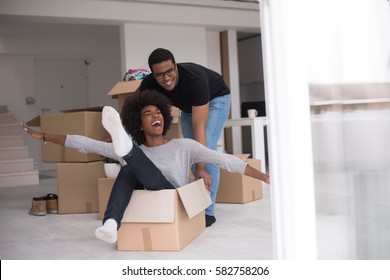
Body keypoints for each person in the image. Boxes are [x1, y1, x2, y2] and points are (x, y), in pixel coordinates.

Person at [22, 90, 270, 244]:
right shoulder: (135, 151)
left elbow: (226, 160)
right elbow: (85, 144)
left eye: (158, 112)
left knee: (129, 161)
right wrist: (43, 137)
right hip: (143, 188)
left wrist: (264, 176)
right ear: (139, 125)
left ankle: (125, 149)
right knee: (129, 167)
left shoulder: (184, 146)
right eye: (148, 114)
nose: (155, 116)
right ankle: (110, 225)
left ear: (164, 116)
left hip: (172, 197)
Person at [140, 48, 231, 226]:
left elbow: (199, 128)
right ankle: (196, 202)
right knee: (189, 153)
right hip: (189, 107)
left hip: (215, 99)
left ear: (176, 66)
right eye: (160, 75)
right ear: (152, 74)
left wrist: (201, 168)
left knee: (206, 150)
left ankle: (207, 212)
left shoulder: (195, 80)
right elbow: (139, 114)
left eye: (170, 71)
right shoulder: (148, 84)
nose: (166, 78)